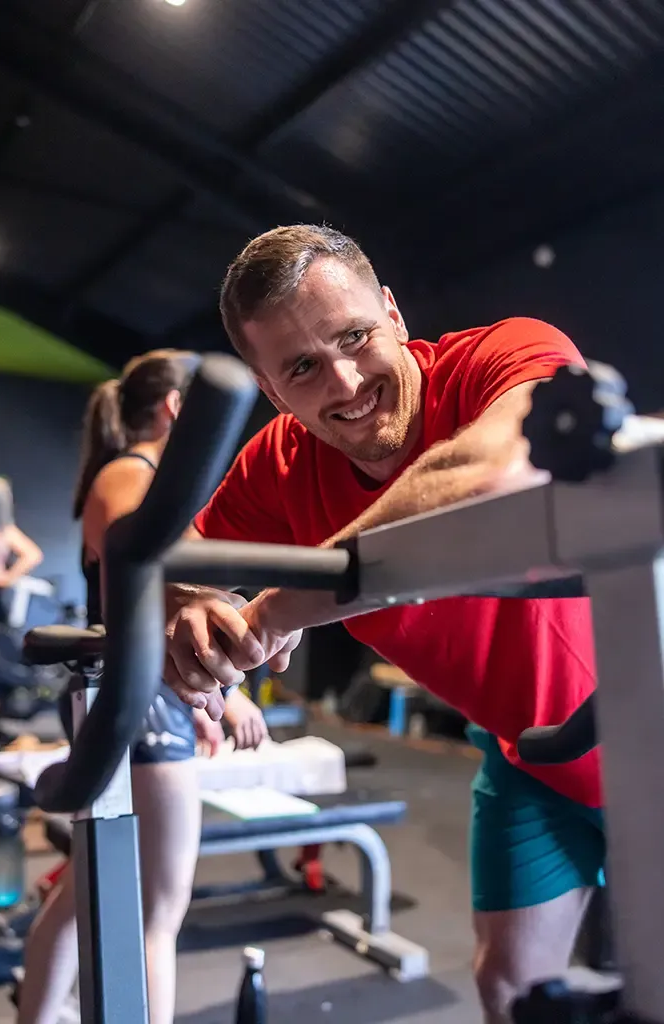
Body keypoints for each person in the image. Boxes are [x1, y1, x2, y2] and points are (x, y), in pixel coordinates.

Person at [165, 225, 603, 1024]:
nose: (344, 382)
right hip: (529, 758)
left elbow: (495, 477)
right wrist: (197, 609)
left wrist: (286, 601)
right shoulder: (279, 464)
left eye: (355, 337)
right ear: (270, 389)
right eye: (301, 366)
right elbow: (180, 563)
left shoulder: (500, 356)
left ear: (393, 314)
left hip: (642, 734)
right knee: (510, 987)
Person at [18, 350, 267, 1024]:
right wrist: (227, 686)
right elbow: (159, 575)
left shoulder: (134, 474)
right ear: (178, 411)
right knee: (157, 907)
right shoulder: (132, 473)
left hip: (139, 693)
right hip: (135, 694)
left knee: (84, 892)